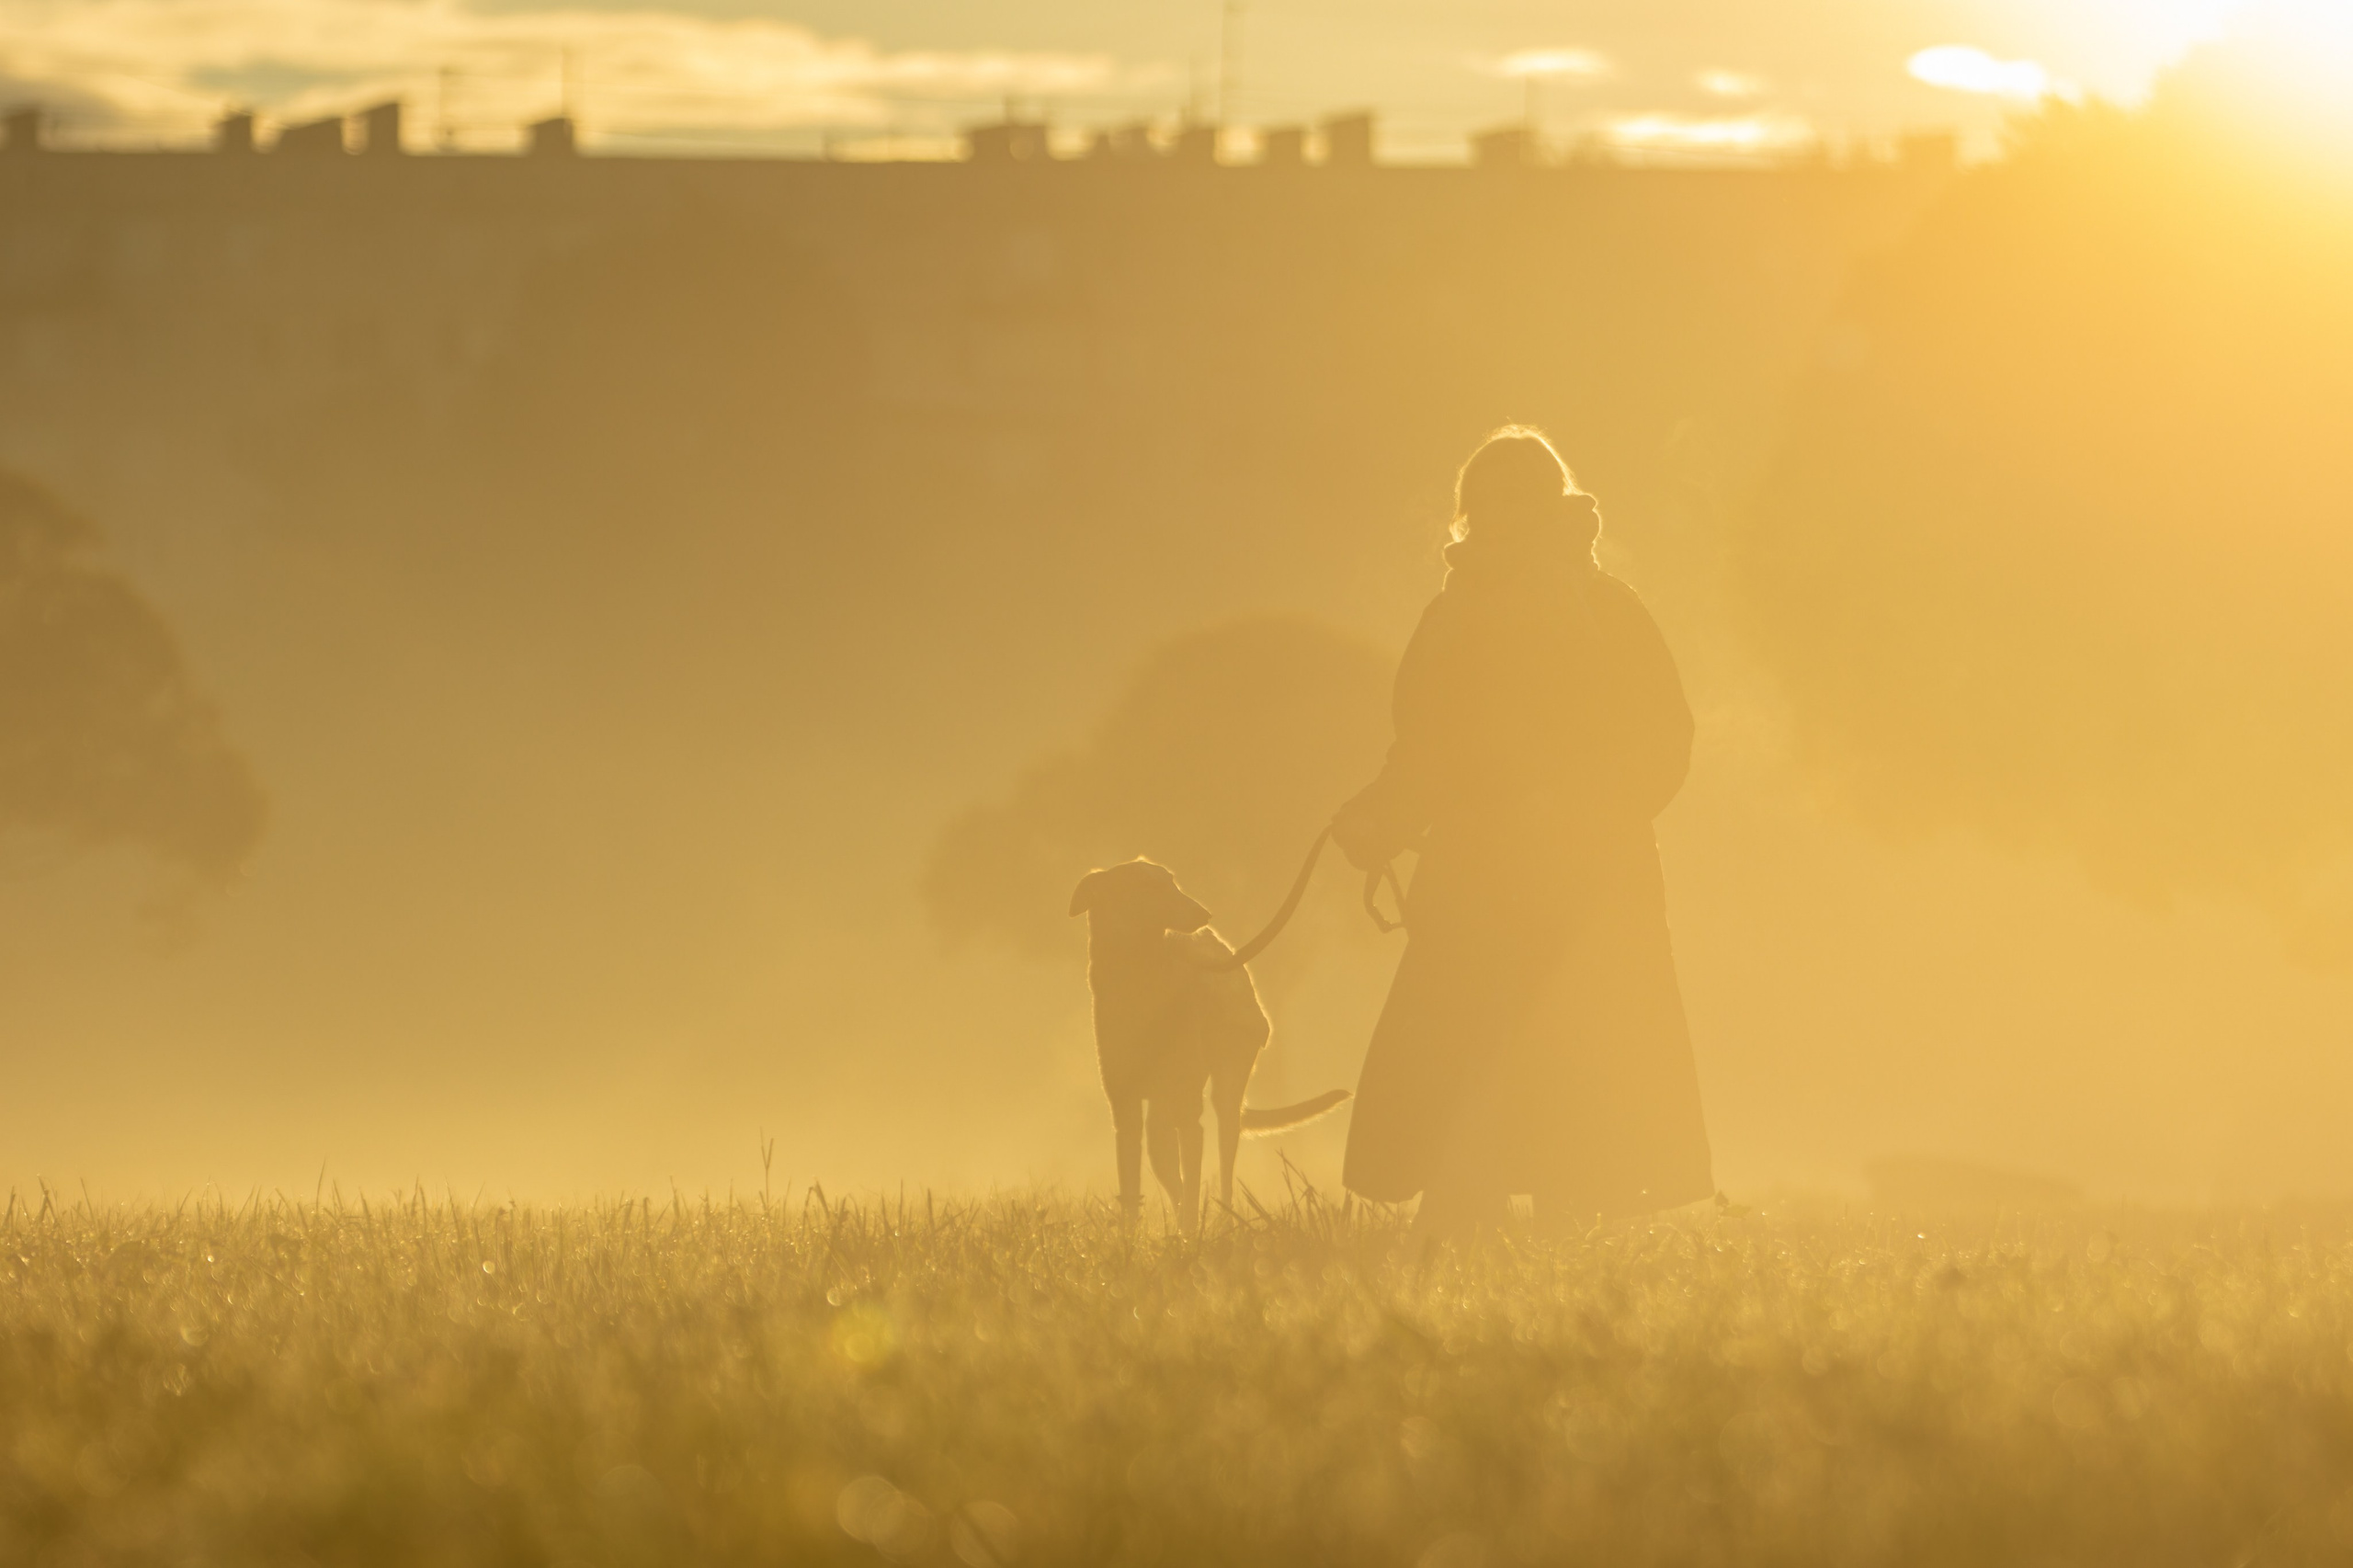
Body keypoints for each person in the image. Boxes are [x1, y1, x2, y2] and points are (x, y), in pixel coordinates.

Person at [1331, 426, 1712, 1238]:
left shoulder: (1606, 608)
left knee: (1577, 1056)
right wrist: (1380, 816)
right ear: (1471, 514)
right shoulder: (1453, 614)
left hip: (1587, 886)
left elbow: (1663, 737)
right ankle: (1461, 1235)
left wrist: (1580, 809)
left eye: (1516, 500)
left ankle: (1559, 1240)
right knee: (1465, 1058)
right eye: (1487, 502)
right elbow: (1425, 750)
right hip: (1474, 881)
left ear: (1547, 505)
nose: (1500, 516)